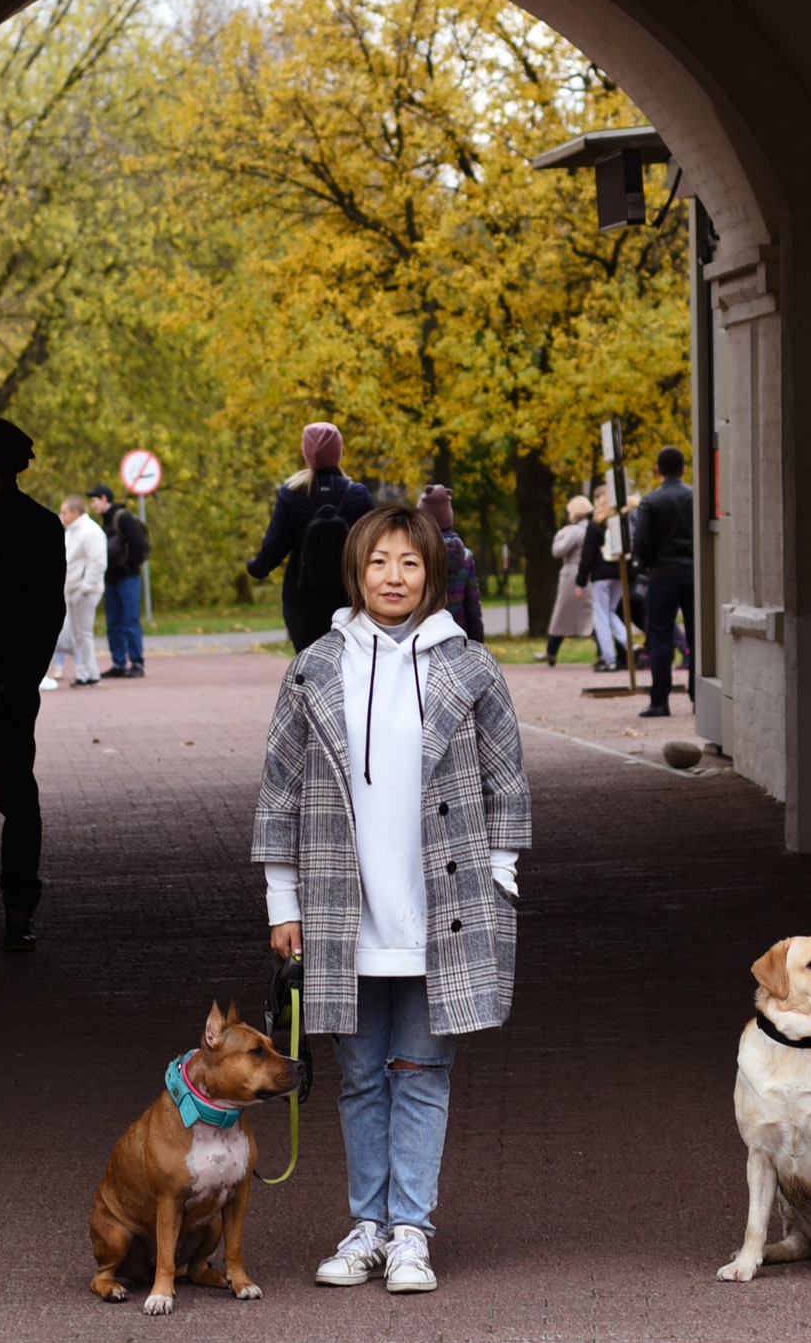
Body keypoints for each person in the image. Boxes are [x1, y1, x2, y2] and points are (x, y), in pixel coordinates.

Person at [253, 501, 530, 1297]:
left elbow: (507, 780)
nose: (394, 576)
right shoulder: (314, 667)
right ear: (357, 571)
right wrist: (282, 901)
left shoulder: (471, 667)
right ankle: (365, 1229)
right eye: (379, 561)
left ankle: (411, 1232)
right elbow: (278, 792)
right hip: (342, 909)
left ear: (432, 572)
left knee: (423, 1070)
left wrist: (499, 876)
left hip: (444, 905)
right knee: (362, 1076)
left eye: (410, 562)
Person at [0, 418, 65, 954]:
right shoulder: (39, 524)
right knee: (15, 799)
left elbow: (46, 613)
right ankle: (16, 909)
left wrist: (19, 678)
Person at [245, 421, 375, 653]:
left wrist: (256, 568)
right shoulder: (358, 495)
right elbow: (376, 546)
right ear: (338, 451)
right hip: (348, 599)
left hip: (301, 600)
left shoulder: (291, 495)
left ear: (306, 453)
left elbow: (274, 546)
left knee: (307, 665)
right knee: (347, 663)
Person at [626, 443, 695, 719]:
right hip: (693, 575)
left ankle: (660, 700)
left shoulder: (650, 502)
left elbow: (641, 541)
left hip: (662, 575)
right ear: (684, 469)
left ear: (658, 471)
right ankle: (699, 698)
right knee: (696, 636)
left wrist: (648, 565)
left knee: (660, 637)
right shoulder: (695, 497)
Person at [48, 492, 108, 688]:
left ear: (75, 512)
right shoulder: (72, 532)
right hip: (72, 589)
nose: (62, 516)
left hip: (84, 591)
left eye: (64, 512)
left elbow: (97, 562)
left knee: (83, 634)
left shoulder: (90, 531)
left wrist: (85, 587)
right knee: (79, 635)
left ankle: (87, 674)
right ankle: (87, 672)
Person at [419, 482, 485, 642]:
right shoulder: (466, 556)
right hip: (456, 634)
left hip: (421, 635)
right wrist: (477, 643)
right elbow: (473, 606)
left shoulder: (415, 553)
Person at [97, 480, 150, 677]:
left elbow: (138, 543)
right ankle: (118, 663)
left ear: (104, 499)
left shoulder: (123, 517)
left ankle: (137, 663)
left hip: (128, 577)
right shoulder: (105, 521)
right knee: (114, 623)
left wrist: (129, 566)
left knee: (130, 621)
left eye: (94, 500)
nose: (92, 505)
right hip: (112, 578)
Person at [576, 478, 628, 673]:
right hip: (619, 574)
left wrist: (580, 582)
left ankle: (609, 659)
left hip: (601, 575)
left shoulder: (596, 524)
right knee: (611, 612)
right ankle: (630, 645)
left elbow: (587, 555)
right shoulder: (619, 521)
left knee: (601, 617)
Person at [542, 493, 595, 668]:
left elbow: (558, 551)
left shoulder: (574, 531)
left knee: (562, 613)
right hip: (587, 574)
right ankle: (604, 652)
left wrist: (560, 534)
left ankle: (551, 651)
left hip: (572, 575)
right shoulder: (591, 528)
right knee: (589, 614)